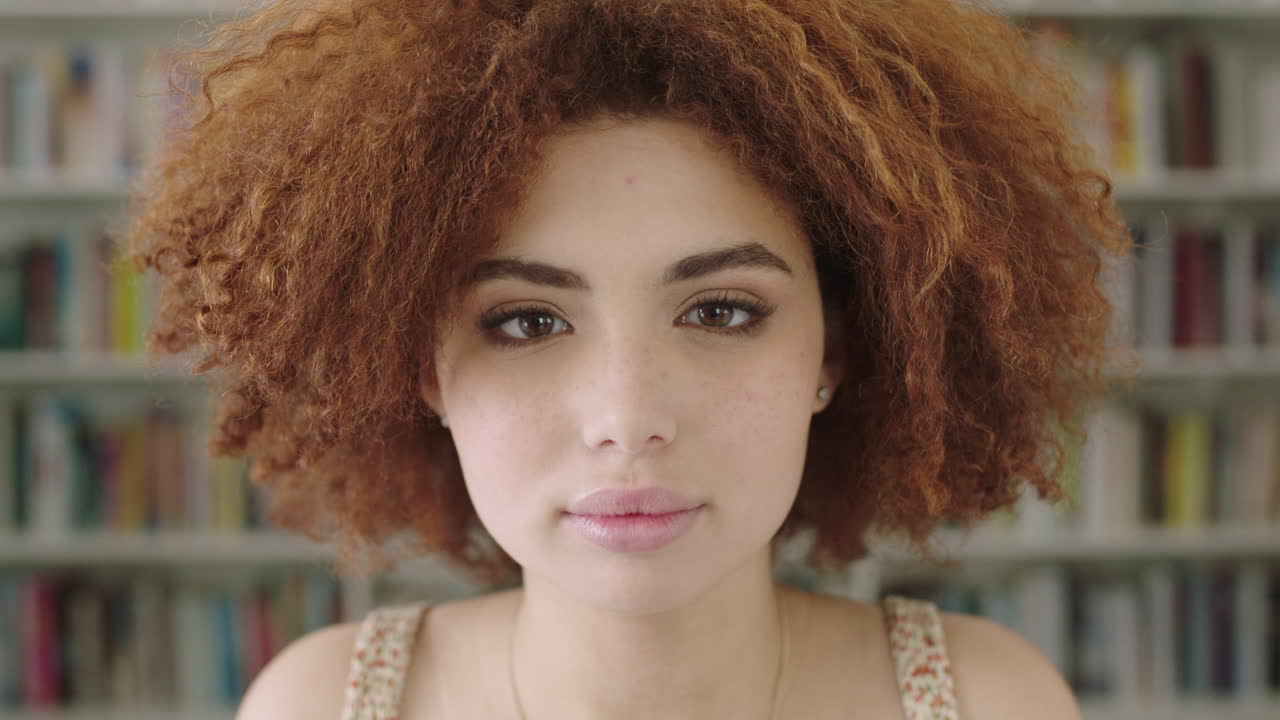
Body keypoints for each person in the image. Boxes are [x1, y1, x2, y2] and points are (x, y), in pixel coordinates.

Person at [121, 0, 1136, 717]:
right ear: (421, 369)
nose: (626, 414)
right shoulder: (315, 705)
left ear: (838, 345)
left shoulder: (987, 702)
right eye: (525, 321)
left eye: (723, 310)